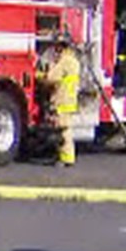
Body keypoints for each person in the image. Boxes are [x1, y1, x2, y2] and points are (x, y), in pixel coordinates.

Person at [39, 37, 81, 167]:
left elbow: (52, 78)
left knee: (62, 130)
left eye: (57, 47)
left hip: (61, 99)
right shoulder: (74, 61)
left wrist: (39, 75)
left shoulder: (64, 61)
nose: (55, 50)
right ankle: (66, 157)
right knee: (65, 128)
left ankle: (66, 158)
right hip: (69, 99)